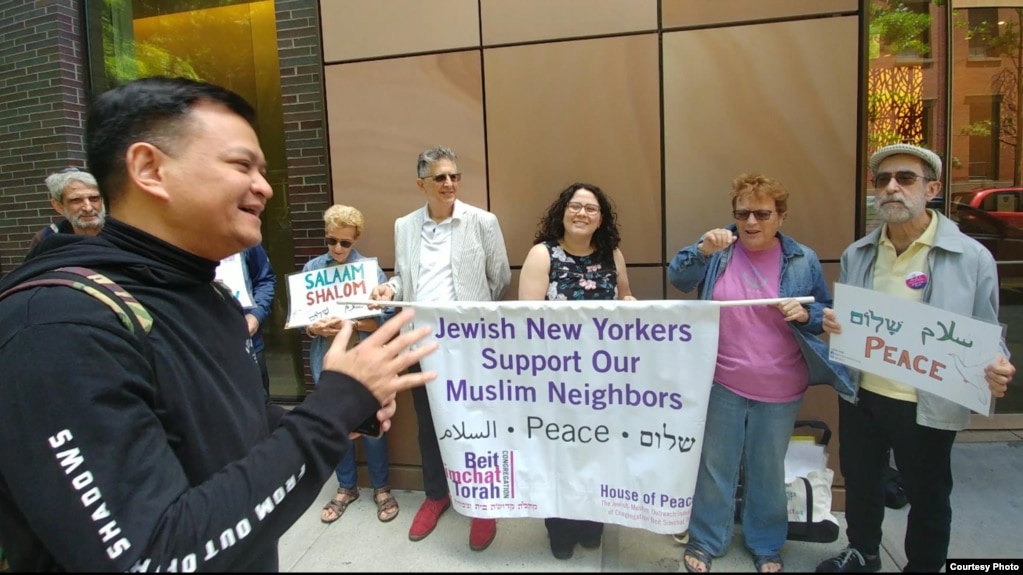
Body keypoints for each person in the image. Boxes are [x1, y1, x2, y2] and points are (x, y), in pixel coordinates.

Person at [0, 76, 438, 572]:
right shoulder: (55, 329)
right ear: (149, 168)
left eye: (263, 169)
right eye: (240, 164)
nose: (265, 187)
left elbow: (226, 428)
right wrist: (333, 409)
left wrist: (336, 411)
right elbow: (153, 555)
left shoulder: (206, 293)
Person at [815, 144, 1015, 573]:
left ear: (932, 189)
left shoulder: (972, 258)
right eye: (882, 180)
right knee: (864, 481)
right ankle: (864, 551)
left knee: (928, 492)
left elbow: (987, 329)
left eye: (905, 179)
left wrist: (997, 364)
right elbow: (851, 322)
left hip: (927, 399)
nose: (891, 188)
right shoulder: (858, 254)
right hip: (862, 393)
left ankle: (924, 564)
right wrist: (837, 325)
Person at [667, 173, 852, 574]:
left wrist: (807, 314)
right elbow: (679, 278)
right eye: (743, 213)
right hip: (721, 380)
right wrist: (700, 249)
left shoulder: (802, 258)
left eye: (762, 214)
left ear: (780, 216)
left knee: (767, 470)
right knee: (716, 466)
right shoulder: (719, 249)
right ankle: (706, 540)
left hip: (781, 384)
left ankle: (766, 544)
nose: (751, 222)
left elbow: (824, 311)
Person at [369, 146, 511, 552]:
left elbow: (498, 278)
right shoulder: (405, 226)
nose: (449, 184)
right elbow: (405, 278)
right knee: (430, 425)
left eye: (454, 176)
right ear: (421, 184)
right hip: (421, 342)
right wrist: (389, 288)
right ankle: (437, 495)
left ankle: (484, 504)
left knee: (478, 421)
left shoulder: (483, 222)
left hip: (469, 343)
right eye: (439, 178)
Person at [518, 182, 635, 559]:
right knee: (559, 452)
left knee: (597, 450)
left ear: (602, 218)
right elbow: (527, 320)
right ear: (562, 211)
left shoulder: (612, 255)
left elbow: (624, 298)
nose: (582, 213)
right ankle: (560, 526)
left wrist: (631, 303)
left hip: (603, 379)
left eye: (591, 208)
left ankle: (591, 520)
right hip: (555, 378)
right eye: (575, 206)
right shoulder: (542, 254)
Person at [304, 204, 399, 526]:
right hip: (327, 362)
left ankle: (381, 487)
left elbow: (385, 323)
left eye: (345, 243)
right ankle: (346, 487)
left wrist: (350, 323)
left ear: (356, 240)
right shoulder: (312, 268)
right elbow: (303, 322)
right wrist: (315, 328)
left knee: (372, 426)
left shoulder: (369, 271)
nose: (337, 249)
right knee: (337, 427)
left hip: (363, 361)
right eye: (331, 241)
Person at [28, 167, 106, 250]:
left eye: (94, 198)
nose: (88, 208)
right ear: (59, 206)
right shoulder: (46, 238)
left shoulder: (119, 233)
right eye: (76, 200)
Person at [238, 244, 276, 398]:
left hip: (249, 341)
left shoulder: (244, 239)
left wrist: (256, 314)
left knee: (260, 405)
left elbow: (265, 280)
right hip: (202, 345)